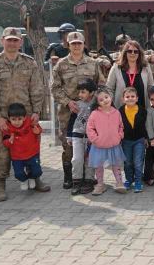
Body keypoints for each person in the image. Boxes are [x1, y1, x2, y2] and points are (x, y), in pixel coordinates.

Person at [0, 27, 45, 202]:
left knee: (31, 150)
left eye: (15, 40)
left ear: (21, 42)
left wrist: (36, 111)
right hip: (4, 118)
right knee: (2, 152)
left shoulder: (29, 63)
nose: (12, 43)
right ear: (2, 41)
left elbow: (36, 88)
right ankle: (0, 183)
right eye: (9, 40)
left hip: (26, 118)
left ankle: (36, 178)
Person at [51, 31, 105, 190]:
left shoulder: (92, 63)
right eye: (73, 43)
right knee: (68, 145)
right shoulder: (61, 64)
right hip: (68, 112)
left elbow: (101, 84)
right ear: (68, 44)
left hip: (89, 112)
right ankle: (70, 177)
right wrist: (68, 102)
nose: (76, 46)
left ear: (83, 45)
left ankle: (88, 177)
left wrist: (94, 101)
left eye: (79, 43)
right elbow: (55, 88)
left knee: (90, 143)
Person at [86, 87, 127, 196]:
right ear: (98, 103)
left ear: (110, 97)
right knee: (98, 166)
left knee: (116, 164)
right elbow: (89, 128)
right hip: (99, 145)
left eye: (106, 97)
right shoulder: (94, 114)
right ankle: (100, 184)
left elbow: (121, 126)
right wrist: (95, 139)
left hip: (114, 144)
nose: (105, 100)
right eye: (101, 99)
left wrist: (119, 136)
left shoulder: (116, 112)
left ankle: (119, 182)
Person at [2, 103, 49, 193]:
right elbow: (5, 142)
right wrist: (9, 141)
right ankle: (24, 180)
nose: (17, 122)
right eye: (13, 119)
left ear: (24, 118)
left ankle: (31, 177)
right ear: (9, 119)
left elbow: (38, 129)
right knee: (18, 174)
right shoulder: (8, 129)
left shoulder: (30, 123)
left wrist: (37, 131)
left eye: (19, 119)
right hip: (17, 157)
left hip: (32, 154)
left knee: (37, 171)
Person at [107, 40, 154, 110]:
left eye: (135, 51)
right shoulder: (116, 67)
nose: (133, 53)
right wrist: (110, 106)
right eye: (129, 51)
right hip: (121, 111)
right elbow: (109, 88)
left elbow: (151, 87)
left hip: (142, 110)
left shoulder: (146, 68)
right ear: (125, 53)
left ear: (139, 53)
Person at [69, 79, 97, 195]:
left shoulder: (97, 104)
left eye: (83, 92)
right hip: (77, 135)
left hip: (92, 138)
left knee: (90, 159)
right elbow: (71, 120)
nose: (80, 95)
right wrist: (69, 136)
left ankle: (89, 181)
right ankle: (76, 181)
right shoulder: (77, 104)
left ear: (91, 93)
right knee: (77, 158)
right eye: (79, 92)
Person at [119, 87, 147, 193]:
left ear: (137, 98)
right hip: (126, 141)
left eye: (132, 96)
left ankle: (138, 181)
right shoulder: (120, 111)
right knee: (127, 162)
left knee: (138, 162)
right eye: (127, 97)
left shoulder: (142, 110)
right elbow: (118, 126)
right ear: (123, 99)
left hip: (139, 140)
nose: (130, 98)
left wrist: (146, 138)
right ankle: (129, 179)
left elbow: (145, 126)